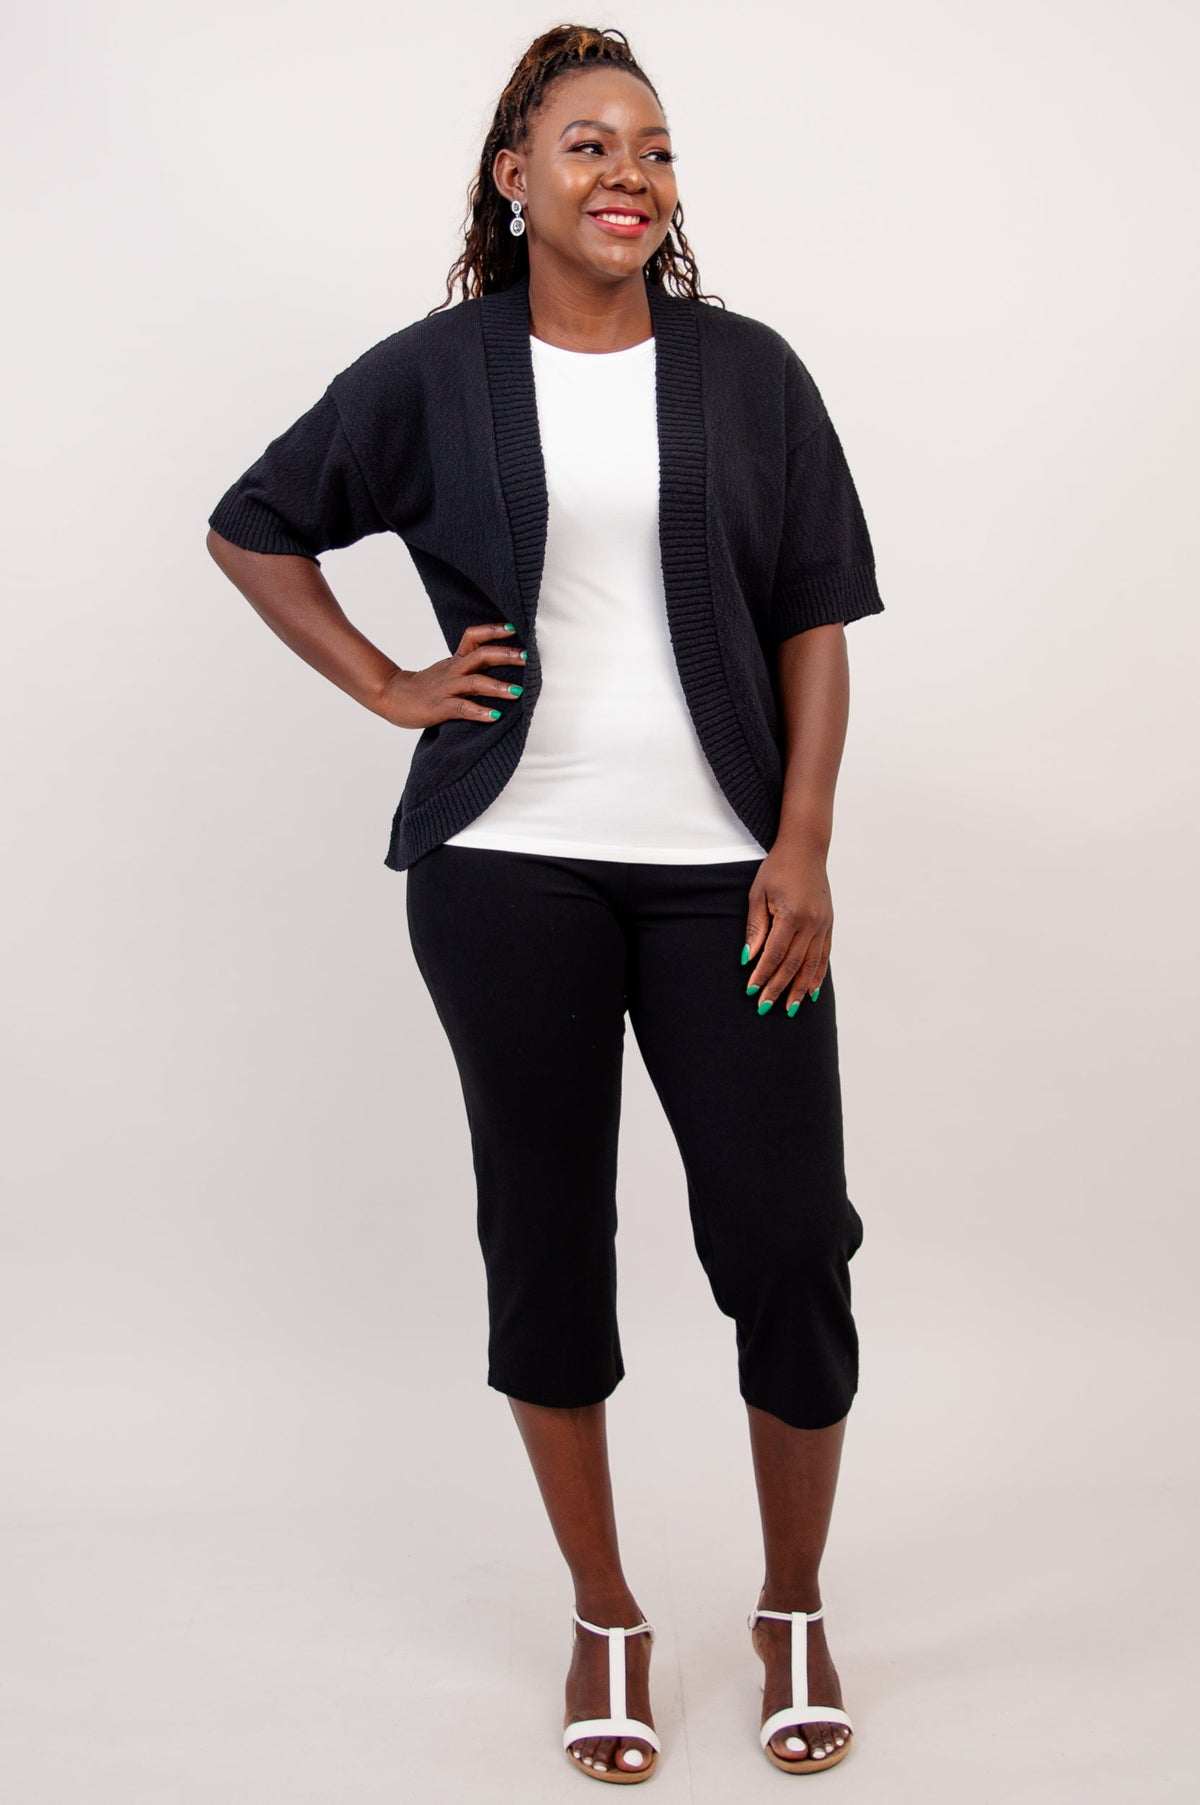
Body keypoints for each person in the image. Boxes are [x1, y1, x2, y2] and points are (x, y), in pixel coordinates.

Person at [206, 23, 884, 1785]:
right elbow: (255, 521)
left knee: (788, 1239)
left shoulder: (750, 373)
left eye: (653, 148)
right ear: (515, 179)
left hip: (731, 876)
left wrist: (801, 840)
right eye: (589, 145)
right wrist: (387, 682)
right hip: (506, 871)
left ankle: (792, 1599)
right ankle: (605, 1612)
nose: (628, 174)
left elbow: (816, 609)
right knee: (548, 1240)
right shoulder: (439, 372)